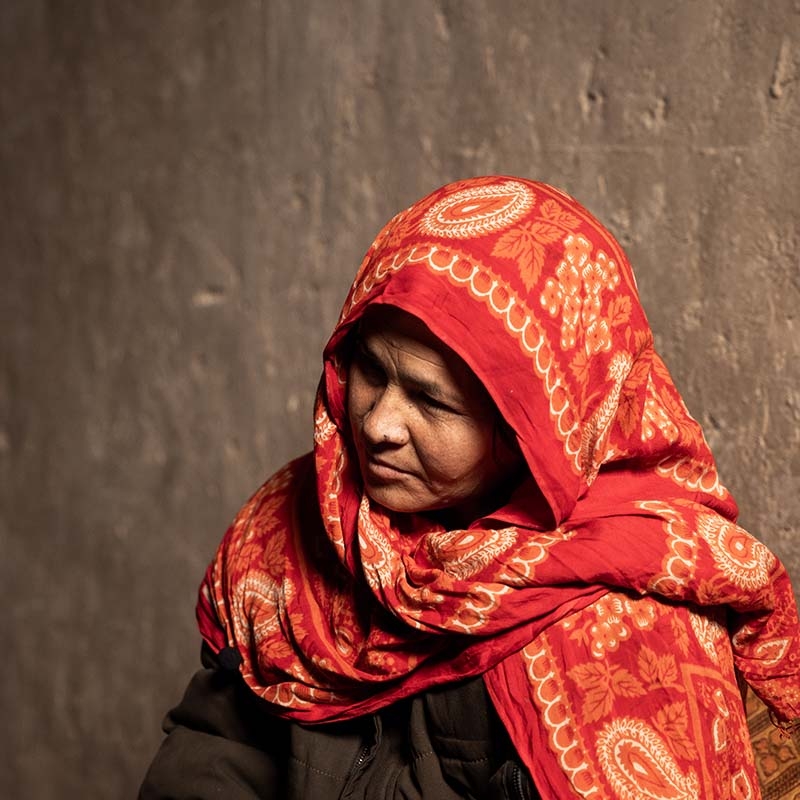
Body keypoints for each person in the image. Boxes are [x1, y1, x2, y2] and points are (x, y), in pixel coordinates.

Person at [140, 176, 800, 799]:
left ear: (531, 428)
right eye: (371, 370)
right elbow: (215, 746)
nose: (377, 424)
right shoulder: (304, 526)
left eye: (432, 401)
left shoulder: (624, 628)